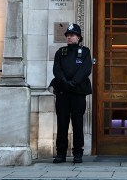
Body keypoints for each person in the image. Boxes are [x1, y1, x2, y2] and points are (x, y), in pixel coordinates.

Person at [50, 23, 92, 163]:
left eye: (72, 35)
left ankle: (78, 153)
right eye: (68, 35)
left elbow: (85, 70)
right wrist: (64, 83)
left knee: (77, 123)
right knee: (62, 123)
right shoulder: (60, 52)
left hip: (78, 92)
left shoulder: (85, 52)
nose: (69, 38)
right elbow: (57, 70)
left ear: (78, 37)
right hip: (63, 93)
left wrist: (73, 82)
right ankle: (61, 153)